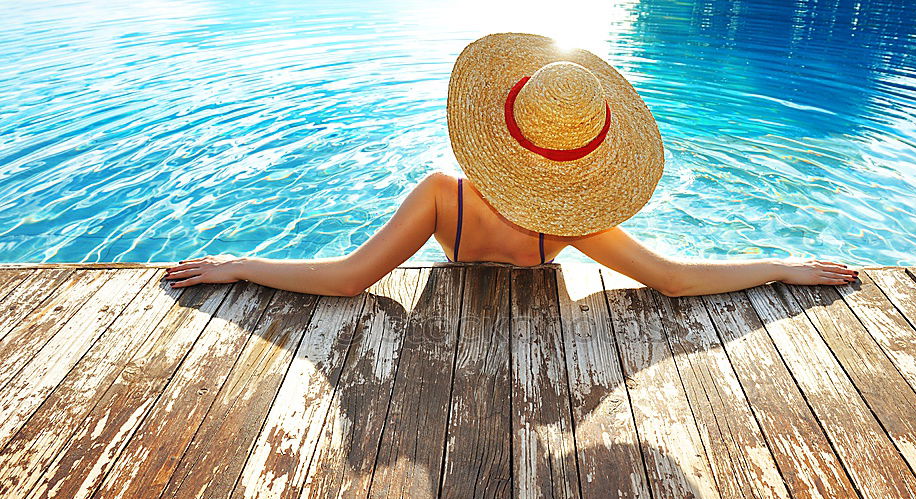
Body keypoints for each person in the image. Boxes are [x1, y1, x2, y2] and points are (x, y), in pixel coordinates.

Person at [164, 33, 858, 296]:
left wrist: (243, 266)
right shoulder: (567, 219)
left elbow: (348, 278)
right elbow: (673, 279)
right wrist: (775, 266)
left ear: (498, 121)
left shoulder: (442, 197)